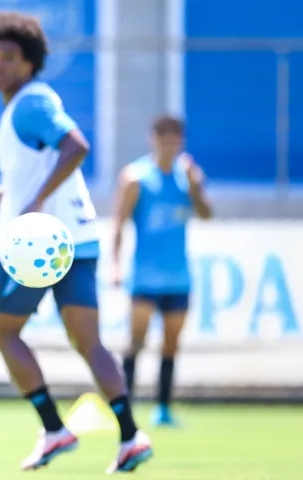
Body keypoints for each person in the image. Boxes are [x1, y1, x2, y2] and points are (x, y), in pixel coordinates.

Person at [0, 11, 152, 474]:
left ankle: (53, 428)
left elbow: (76, 146)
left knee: (2, 331)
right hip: (77, 241)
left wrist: (36, 203)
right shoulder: (27, 106)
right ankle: (130, 436)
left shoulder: (30, 103)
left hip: (36, 245)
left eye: (7, 57)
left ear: (30, 62)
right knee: (90, 343)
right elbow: (35, 167)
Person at [113, 115, 212, 427]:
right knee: (136, 342)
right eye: (163, 137)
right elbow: (119, 222)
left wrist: (196, 187)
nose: (169, 144)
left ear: (181, 141)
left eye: (175, 138)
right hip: (145, 277)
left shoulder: (188, 178)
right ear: (152, 139)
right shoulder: (136, 178)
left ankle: (163, 409)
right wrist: (115, 265)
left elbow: (207, 215)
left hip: (178, 278)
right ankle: (124, 407)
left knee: (171, 345)